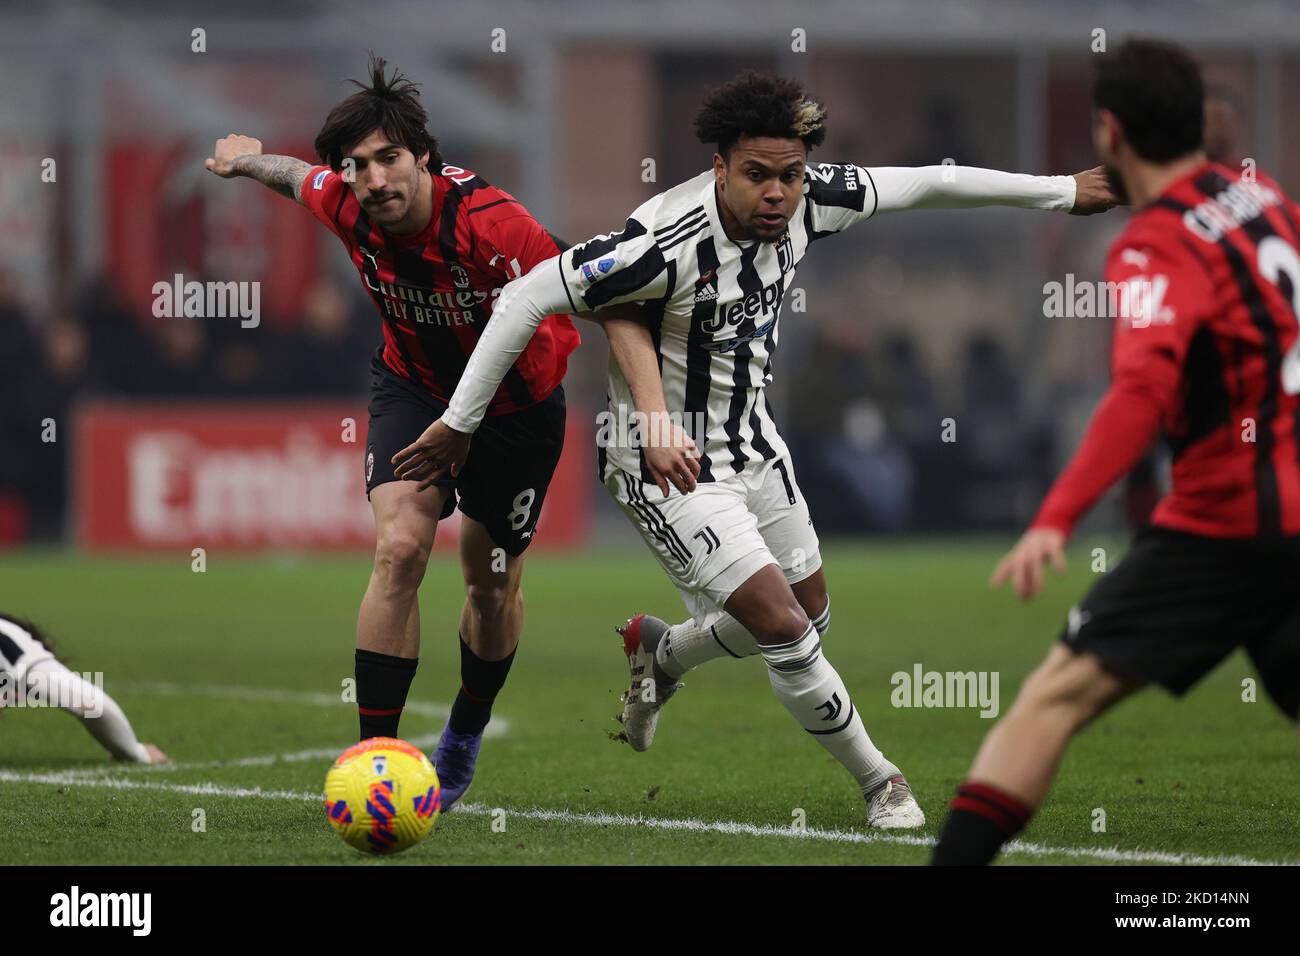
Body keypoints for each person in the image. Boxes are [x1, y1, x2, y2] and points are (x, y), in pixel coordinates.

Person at [393, 71, 1115, 828]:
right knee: (784, 629)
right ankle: (882, 782)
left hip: (756, 447)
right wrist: (460, 421)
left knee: (811, 618)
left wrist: (1061, 192)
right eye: (758, 176)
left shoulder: (814, 201)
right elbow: (524, 296)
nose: (778, 193)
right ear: (720, 169)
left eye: (791, 177)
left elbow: (932, 182)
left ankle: (663, 656)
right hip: (664, 469)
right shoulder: (659, 243)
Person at [932, 39, 1300, 865]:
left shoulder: (1153, 243)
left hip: (1225, 525)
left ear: (1111, 134)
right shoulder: (1266, 198)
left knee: (1050, 698)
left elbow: (1139, 393)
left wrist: (1054, 518)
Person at [205, 54, 585, 809]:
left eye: (389, 160)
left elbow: (601, 291)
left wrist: (660, 405)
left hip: (516, 416)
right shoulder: (343, 201)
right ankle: (374, 759)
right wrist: (248, 162)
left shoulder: (495, 227)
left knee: (489, 586)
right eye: (357, 167)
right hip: (413, 388)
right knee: (400, 548)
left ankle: (463, 736)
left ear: (423, 158)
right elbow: (294, 177)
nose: (375, 180)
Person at [0, 613, 167, 764]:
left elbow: (93, 706)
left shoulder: (12, 648)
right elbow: (95, 706)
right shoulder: (11, 646)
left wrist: (136, 753)